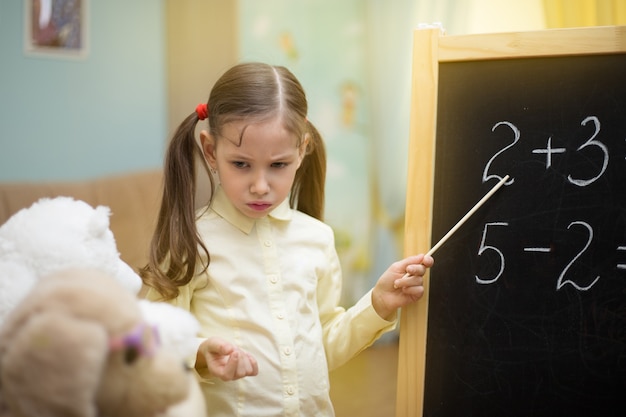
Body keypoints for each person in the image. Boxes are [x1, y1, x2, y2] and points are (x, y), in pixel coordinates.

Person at [140, 62, 434, 417]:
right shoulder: (190, 242)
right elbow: (151, 341)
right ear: (210, 151)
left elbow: (322, 344)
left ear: (302, 151)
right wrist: (200, 355)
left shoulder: (317, 239)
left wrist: (378, 305)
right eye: (241, 164)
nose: (260, 185)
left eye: (278, 165)